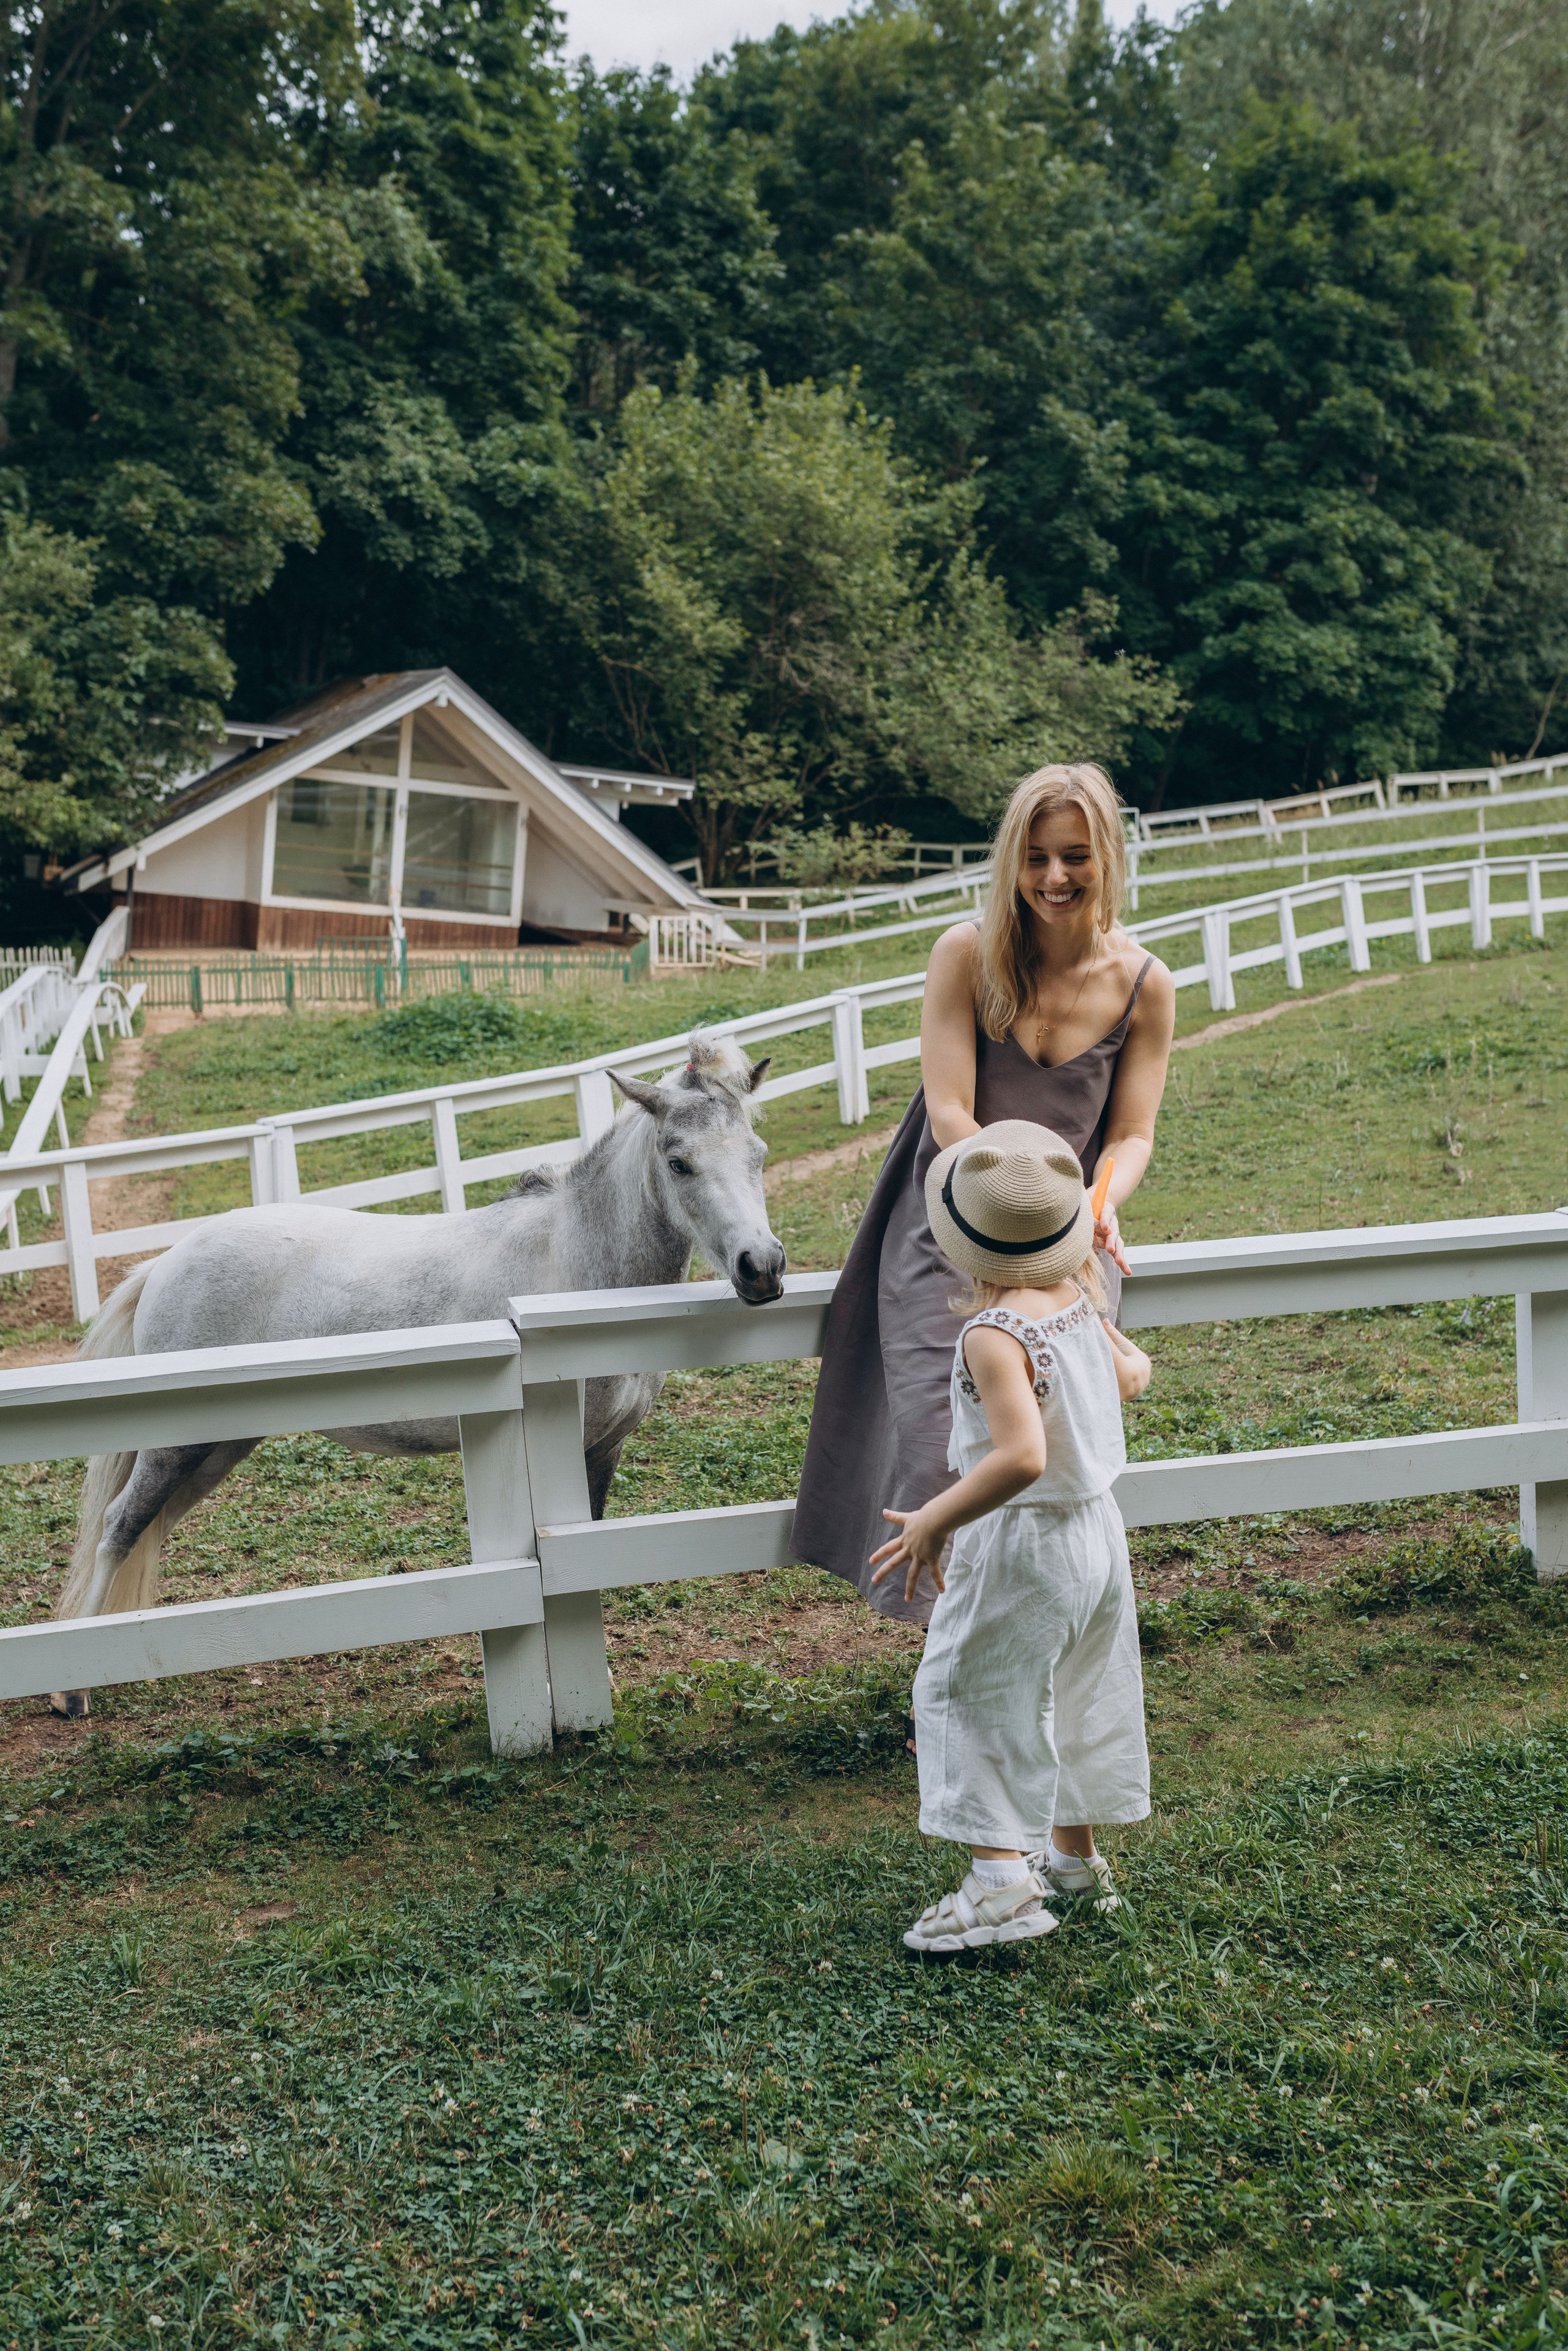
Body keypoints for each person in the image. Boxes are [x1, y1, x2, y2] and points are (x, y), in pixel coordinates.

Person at [791, 762, 1174, 1628]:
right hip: (952, 1222)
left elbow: (1131, 1132)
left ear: (1108, 855)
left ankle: (1028, 1652)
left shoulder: (1146, 984)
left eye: (1075, 855)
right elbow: (952, 1109)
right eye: (1034, 857)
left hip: (1061, 1237)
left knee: (1054, 1451)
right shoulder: (965, 954)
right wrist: (1002, 1207)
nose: (1053, 878)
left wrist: (1095, 1205)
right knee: (942, 1445)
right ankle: (947, 1669)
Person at [870, 1120, 1152, 1954]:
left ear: (963, 1249)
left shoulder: (994, 1336)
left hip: (1027, 1543)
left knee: (966, 1689)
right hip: (1100, 1534)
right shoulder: (1078, 1299)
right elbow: (1133, 1374)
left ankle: (1000, 1886)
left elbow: (1022, 1455)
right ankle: (1074, 1858)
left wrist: (935, 1516)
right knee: (1077, 1688)